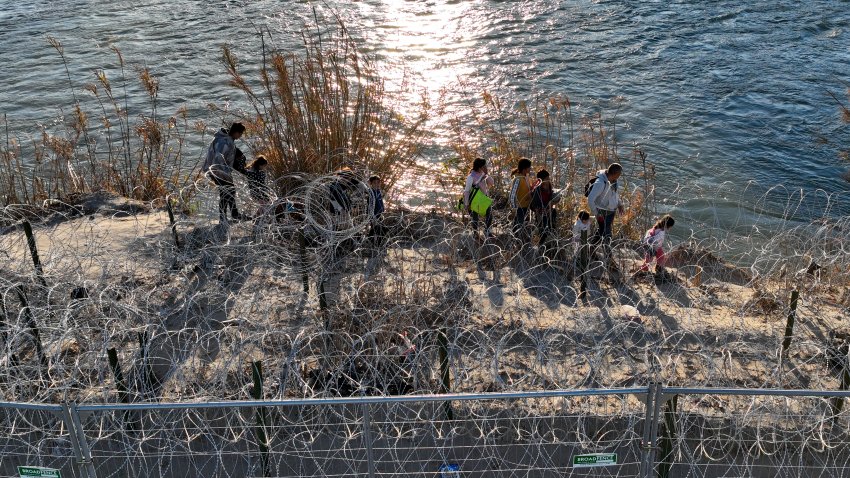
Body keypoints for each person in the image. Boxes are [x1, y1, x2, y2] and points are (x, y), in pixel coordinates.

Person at [202, 122, 246, 222]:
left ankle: (234, 214)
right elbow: (218, 158)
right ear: (235, 132)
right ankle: (223, 218)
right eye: (240, 133)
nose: (241, 136)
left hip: (221, 170)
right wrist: (224, 173)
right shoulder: (224, 142)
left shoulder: (228, 139)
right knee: (225, 193)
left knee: (230, 191)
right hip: (217, 171)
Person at [587, 163, 624, 246]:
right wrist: (596, 213)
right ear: (615, 174)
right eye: (619, 174)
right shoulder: (600, 183)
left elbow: (615, 194)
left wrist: (620, 204)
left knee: (601, 231)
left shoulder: (614, 181)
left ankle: (591, 248)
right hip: (602, 212)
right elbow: (590, 199)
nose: (620, 176)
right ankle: (608, 254)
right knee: (607, 234)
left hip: (611, 211)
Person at [462, 158, 495, 238]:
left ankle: (487, 231)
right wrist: (466, 204)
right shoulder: (471, 176)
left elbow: (491, 183)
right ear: (480, 167)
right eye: (484, 166)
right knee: (475, 217)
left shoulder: (483, 174)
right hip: (474, 200)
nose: (485, 167)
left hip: (484, 199)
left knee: (489, 215)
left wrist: (487, 174)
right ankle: (475, 233)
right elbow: (467, 191)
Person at [530, 169, 560, 249]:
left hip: (550, 211)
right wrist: (539, 212)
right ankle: (535, 246)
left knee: (549, 227)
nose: (548, 180)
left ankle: (543, 244)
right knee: (540, 228)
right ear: (542, 180)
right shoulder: (537, 189)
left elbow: (551, 196)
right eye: (547, 178)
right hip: (540, 212)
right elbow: (534, 204)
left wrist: (554, 201)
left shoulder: (549, 186)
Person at [509, 158, 536, 239]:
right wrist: (514, 208)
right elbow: (512, 195)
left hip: (526, 206)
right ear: (524, 169)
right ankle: (517, 240)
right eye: (529, 168)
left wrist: (533, 187)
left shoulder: (526, 177)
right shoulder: (517, 179)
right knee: (519, 225)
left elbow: (528, 189)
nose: (530, 169)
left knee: (518, 224)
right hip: (519, 207)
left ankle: (515, 239)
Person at [368, 175, 386, 244]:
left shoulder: (378, 191)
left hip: (379, 213)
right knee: (377, 229)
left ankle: (375, 243)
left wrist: (383, 210)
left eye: (378, 182)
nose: (377, 184)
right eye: (374, 183)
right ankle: (374, 243)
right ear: (371, 183)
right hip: (374, 214)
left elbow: (380, 202)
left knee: (379, 229)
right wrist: (372, 216)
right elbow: (370, 205)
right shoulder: (371, 192)